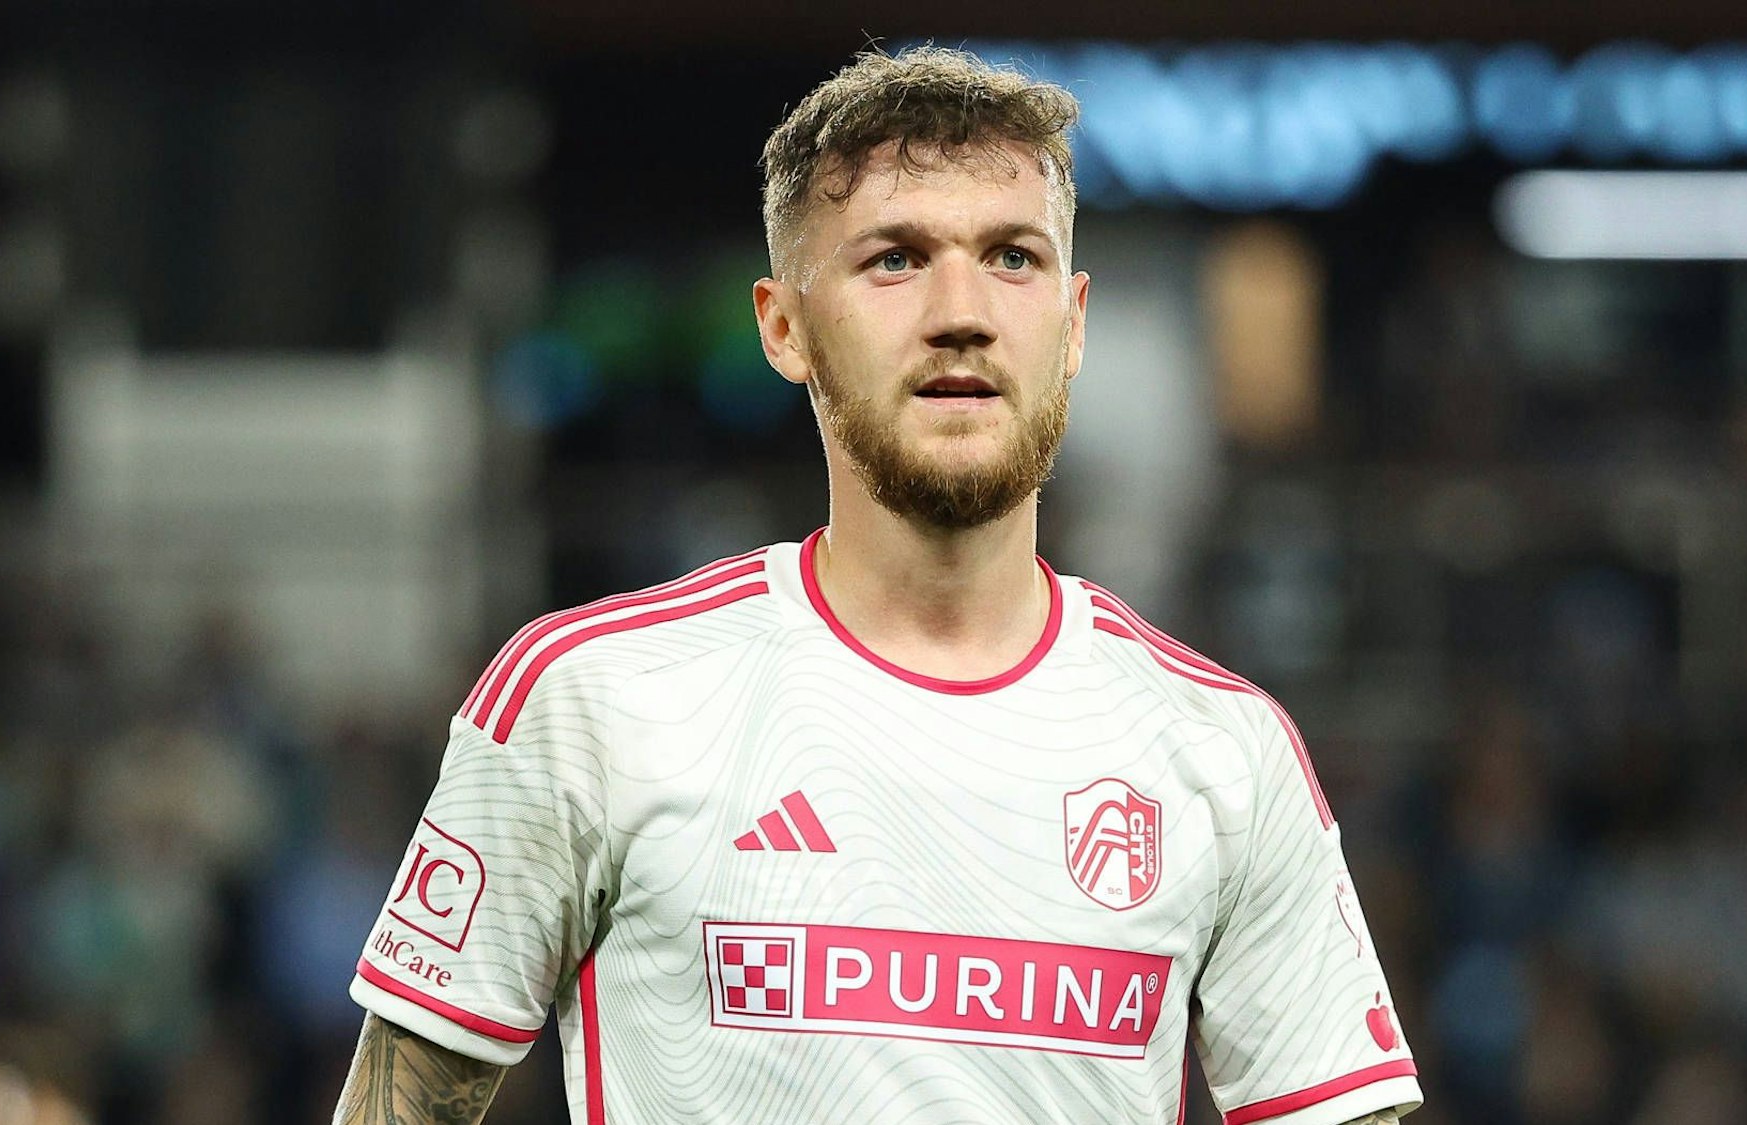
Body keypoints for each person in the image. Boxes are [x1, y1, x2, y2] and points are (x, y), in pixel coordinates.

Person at [332, 46, 1422, 1125]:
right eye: (894, 259)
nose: (962, 311)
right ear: (783, 328)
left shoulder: (1223, 750)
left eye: (1011, 258)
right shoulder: (590, 699)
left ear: (1074, 320)